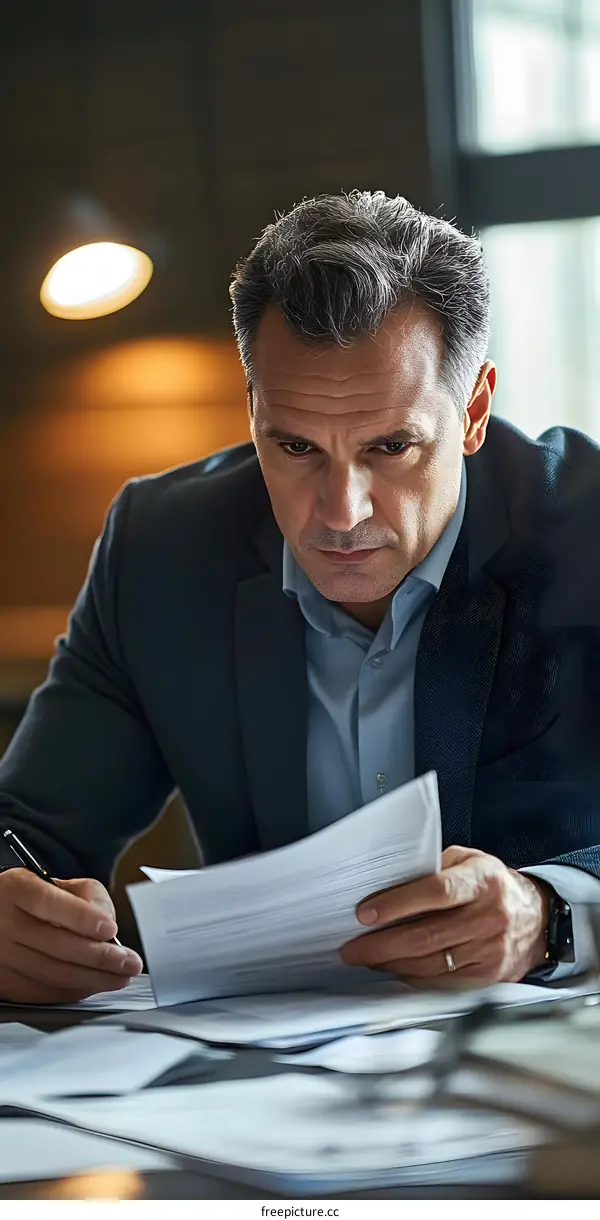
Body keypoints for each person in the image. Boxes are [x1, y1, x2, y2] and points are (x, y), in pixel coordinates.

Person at [1, 190, 600, 1006]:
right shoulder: (162, 550)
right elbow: (28, 827)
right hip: (254, 1088)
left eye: (391, 446)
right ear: (252, 410)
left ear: (475, 410)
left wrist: (551, 915)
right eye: (295, 446)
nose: (341, 512)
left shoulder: (586, 532)